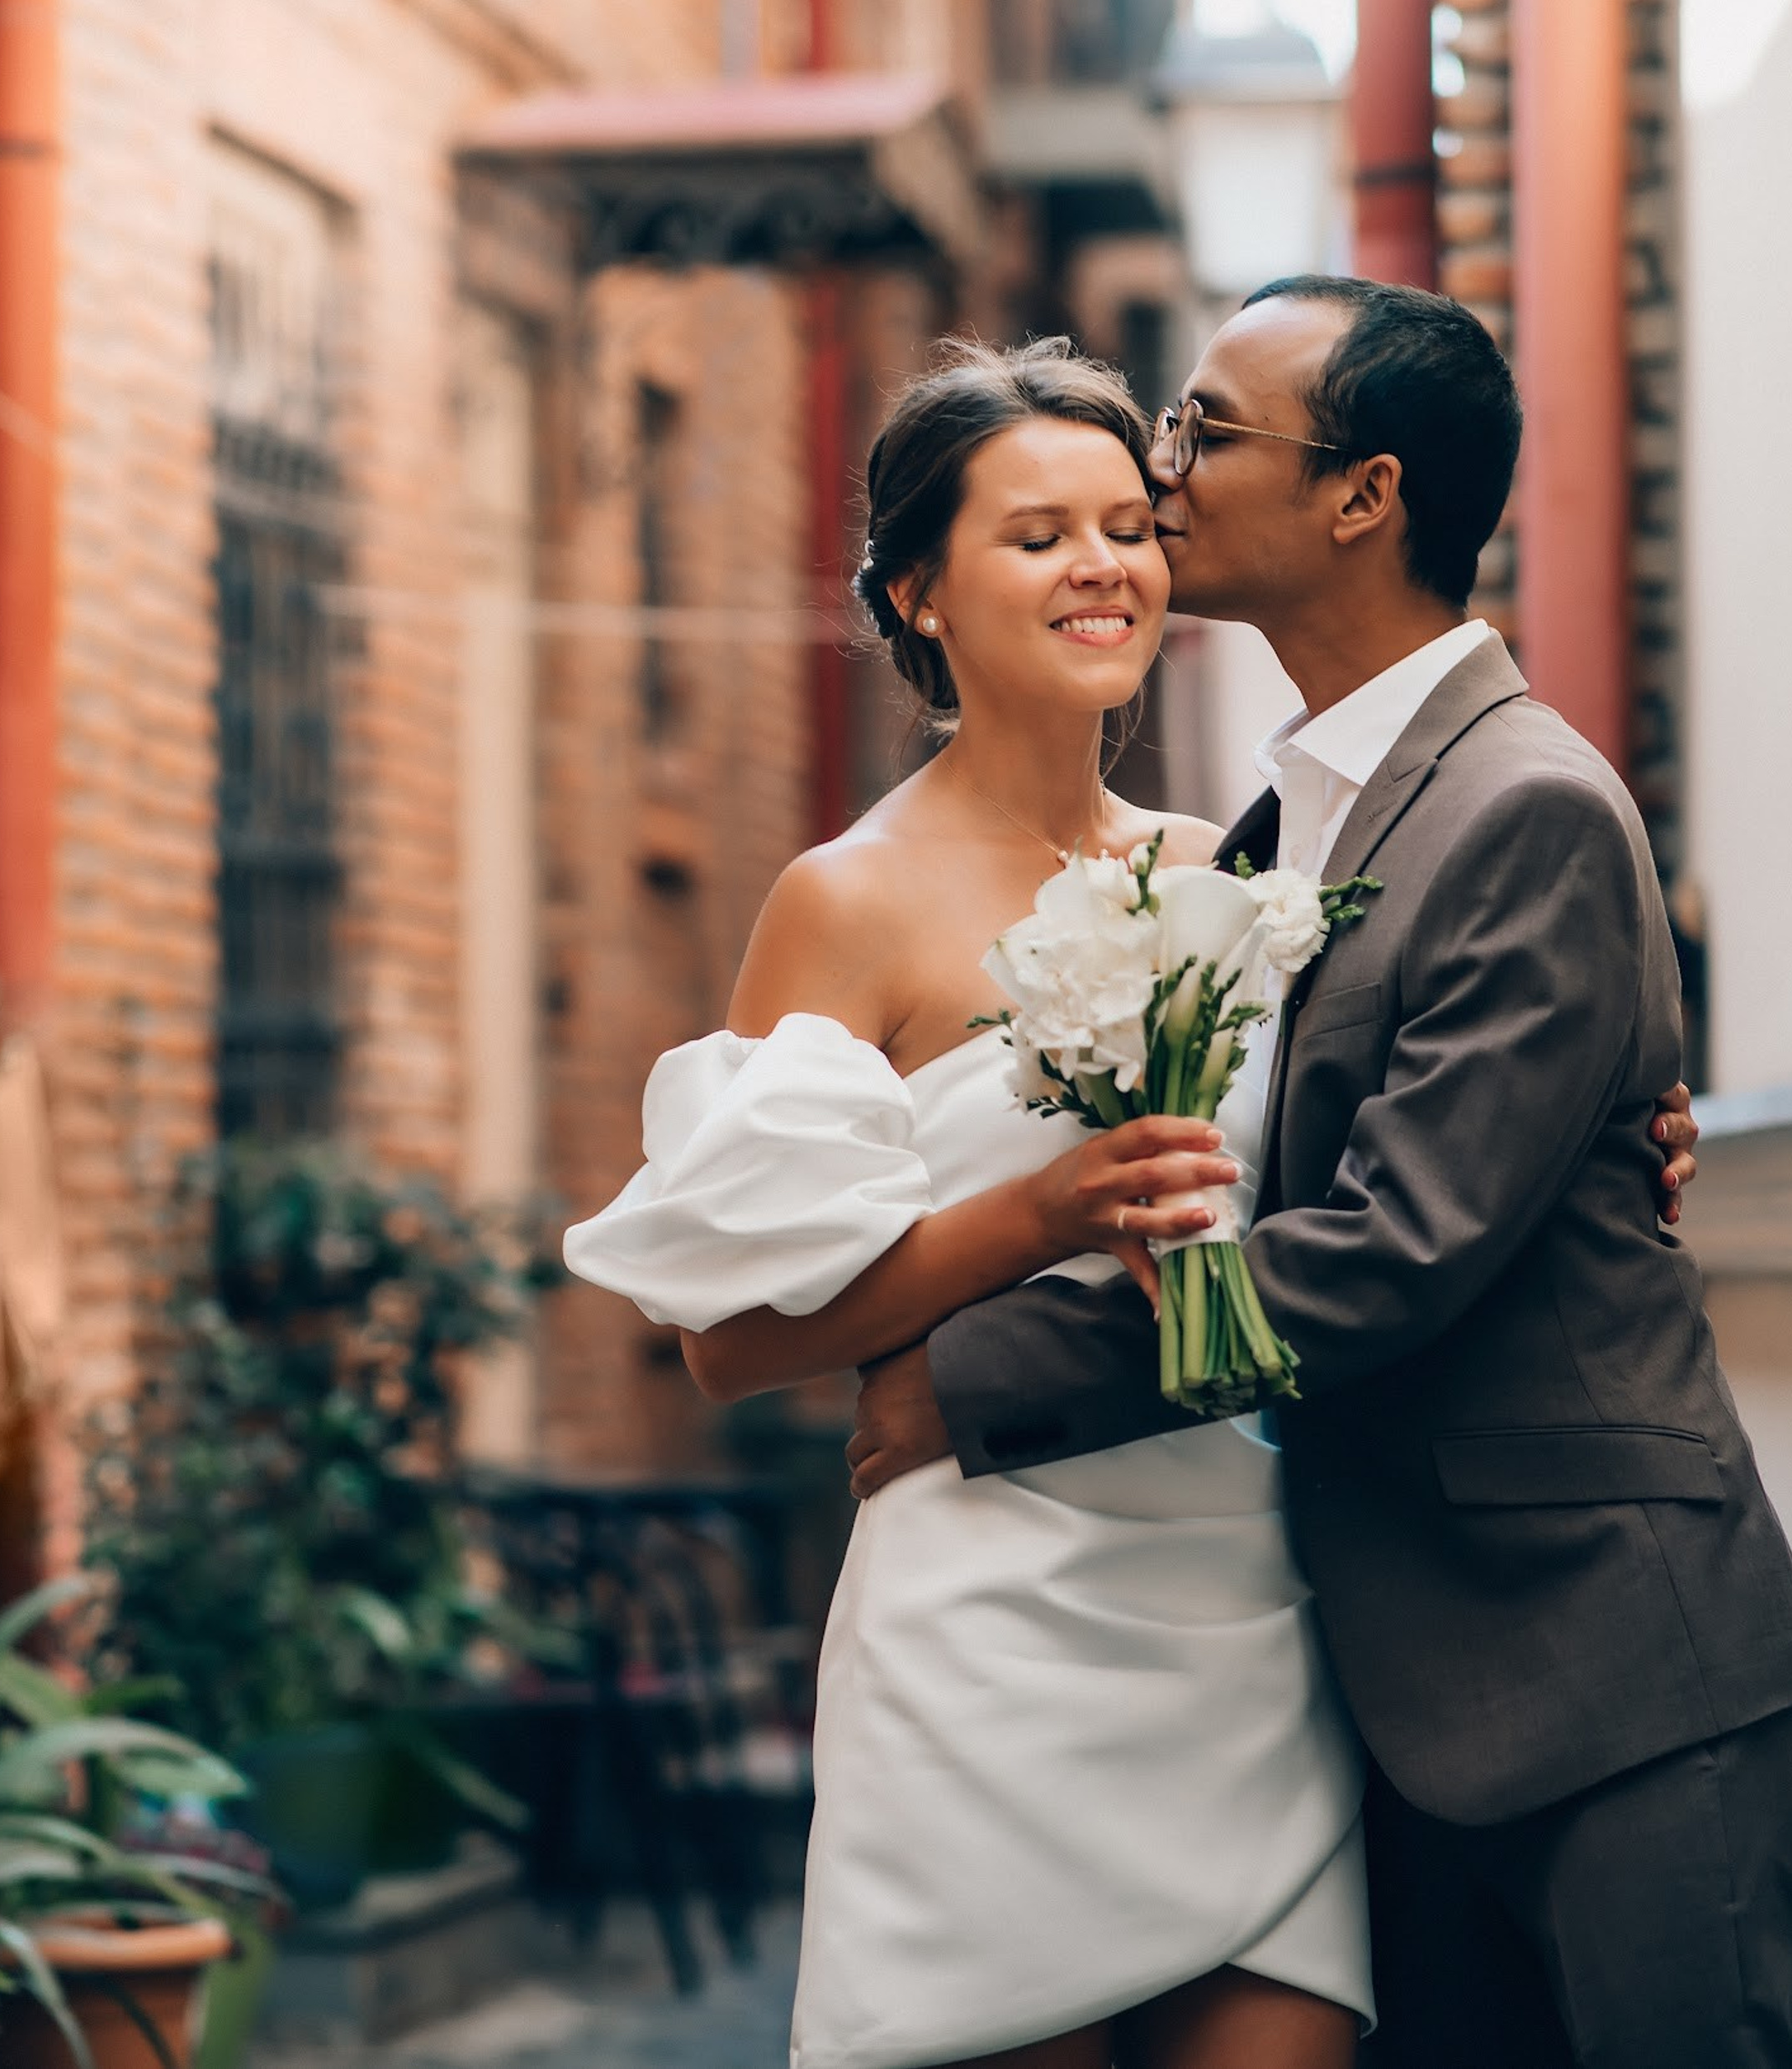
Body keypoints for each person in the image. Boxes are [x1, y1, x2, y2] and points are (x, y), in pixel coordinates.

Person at [565, 330, 1700, 2069]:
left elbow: (1386, 1172)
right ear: (918, 593)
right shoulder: (842, 900)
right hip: (991, 1615)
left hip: (1254, 1603)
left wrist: (1612, 1134)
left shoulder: (1237, 870)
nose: (1101, 564)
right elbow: (734, 1344)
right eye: (1036, 536)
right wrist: (1036, 1221)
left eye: (1125, 525)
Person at [844, 279, 1786, 2069]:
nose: (1160, 467)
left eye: (1204, 429)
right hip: (1374, 1673)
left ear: (1363, 494)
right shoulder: (1274, 834)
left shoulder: (1523, 803)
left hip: (1602, 1661)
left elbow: (1388, 1249)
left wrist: (966, 1381)